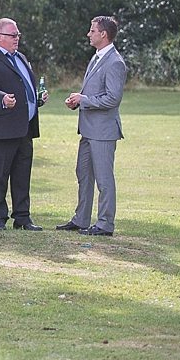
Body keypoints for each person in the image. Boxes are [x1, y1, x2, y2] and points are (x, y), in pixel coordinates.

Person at [0, 18, 49, 231]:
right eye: (13, 35)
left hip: (25, 128)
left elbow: (23, 86)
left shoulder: (22, 58)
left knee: (22, 175)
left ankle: (23, 218)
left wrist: (37, 99)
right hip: (2, 128)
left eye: (18, 35)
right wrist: (1, 98)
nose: (17, 38)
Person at [58, 16, 127, 236]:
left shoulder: (115, 62)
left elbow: (112, 99)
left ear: (103, 34)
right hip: (88, 130)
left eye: (92, 30)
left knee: (104, 179)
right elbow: (93, 94)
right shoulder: (96, 58)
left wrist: (84, 100)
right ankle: (81, 220)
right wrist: (77, 102)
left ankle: (105, 225)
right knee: (83, 174)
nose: (89, 34)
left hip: (103, 132)